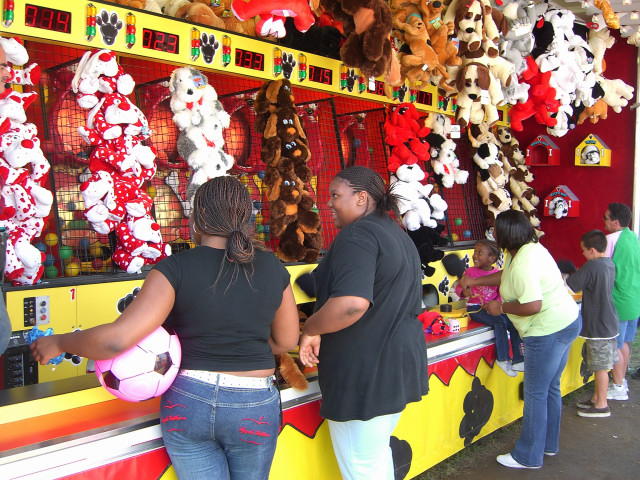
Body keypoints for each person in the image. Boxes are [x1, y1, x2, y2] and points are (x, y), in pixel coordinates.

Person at [31, 176, 300, 480]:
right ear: (246, 219)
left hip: (189, 404)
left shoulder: (174, 268)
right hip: (254, 403)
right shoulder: (272, 268)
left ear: (197, 219)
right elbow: (287, 339)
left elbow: (116, 340)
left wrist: (62, 342)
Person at [298, 166, 428, 480]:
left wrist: (311, 328)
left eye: (335, 195)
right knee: (373, 460)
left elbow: (351, 305)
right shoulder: (395, 233)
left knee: (362, 468)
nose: (327, 203)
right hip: (395, 367)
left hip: (366, 375)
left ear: (361, 198)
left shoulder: (358, 235)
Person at [459, 210, 580, 469]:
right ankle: (547, 446)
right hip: (567, 321)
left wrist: (500, 309)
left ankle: (528, 456)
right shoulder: (526, 249)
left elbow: (533, 305)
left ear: (507, 233)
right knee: (550, 388)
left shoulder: (524, 261)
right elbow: (506, 276)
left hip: (547, 329)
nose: (493, 234)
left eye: (496, 230)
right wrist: (476, 282)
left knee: (536, 393)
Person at [566, 230, 619, 418]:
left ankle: (602, 406)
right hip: (610, 322)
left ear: (593, 250)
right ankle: (597, 398)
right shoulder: (609, 263)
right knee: (602, 365)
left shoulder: (592, 266)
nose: (582, 254)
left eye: (584, 251)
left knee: (599, 366)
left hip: (598, 325)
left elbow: (572, 284)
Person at [454, 239, 524, 377]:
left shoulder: (498, 273)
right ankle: (503, 359)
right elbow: (459, 289)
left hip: (493, 308)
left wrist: (495, 304)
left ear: (491, 258)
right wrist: (464, 292)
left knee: (514, 322)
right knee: (500, 322)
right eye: (475, 252)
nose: (475, 256)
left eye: (480, 253)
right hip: (475, 308)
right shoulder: (470, 272)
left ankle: (519, 359)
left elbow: (501, 293)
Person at [603, 203, 640, 397]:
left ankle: (617, 387)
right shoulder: (634, 237)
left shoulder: (610, 240)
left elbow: (601, 267)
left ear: (615, 222)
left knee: (615, 345)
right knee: (624, 343)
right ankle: (621, 382)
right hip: (634, 299)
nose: (605, 222)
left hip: (618, 300)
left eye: (606, 218)